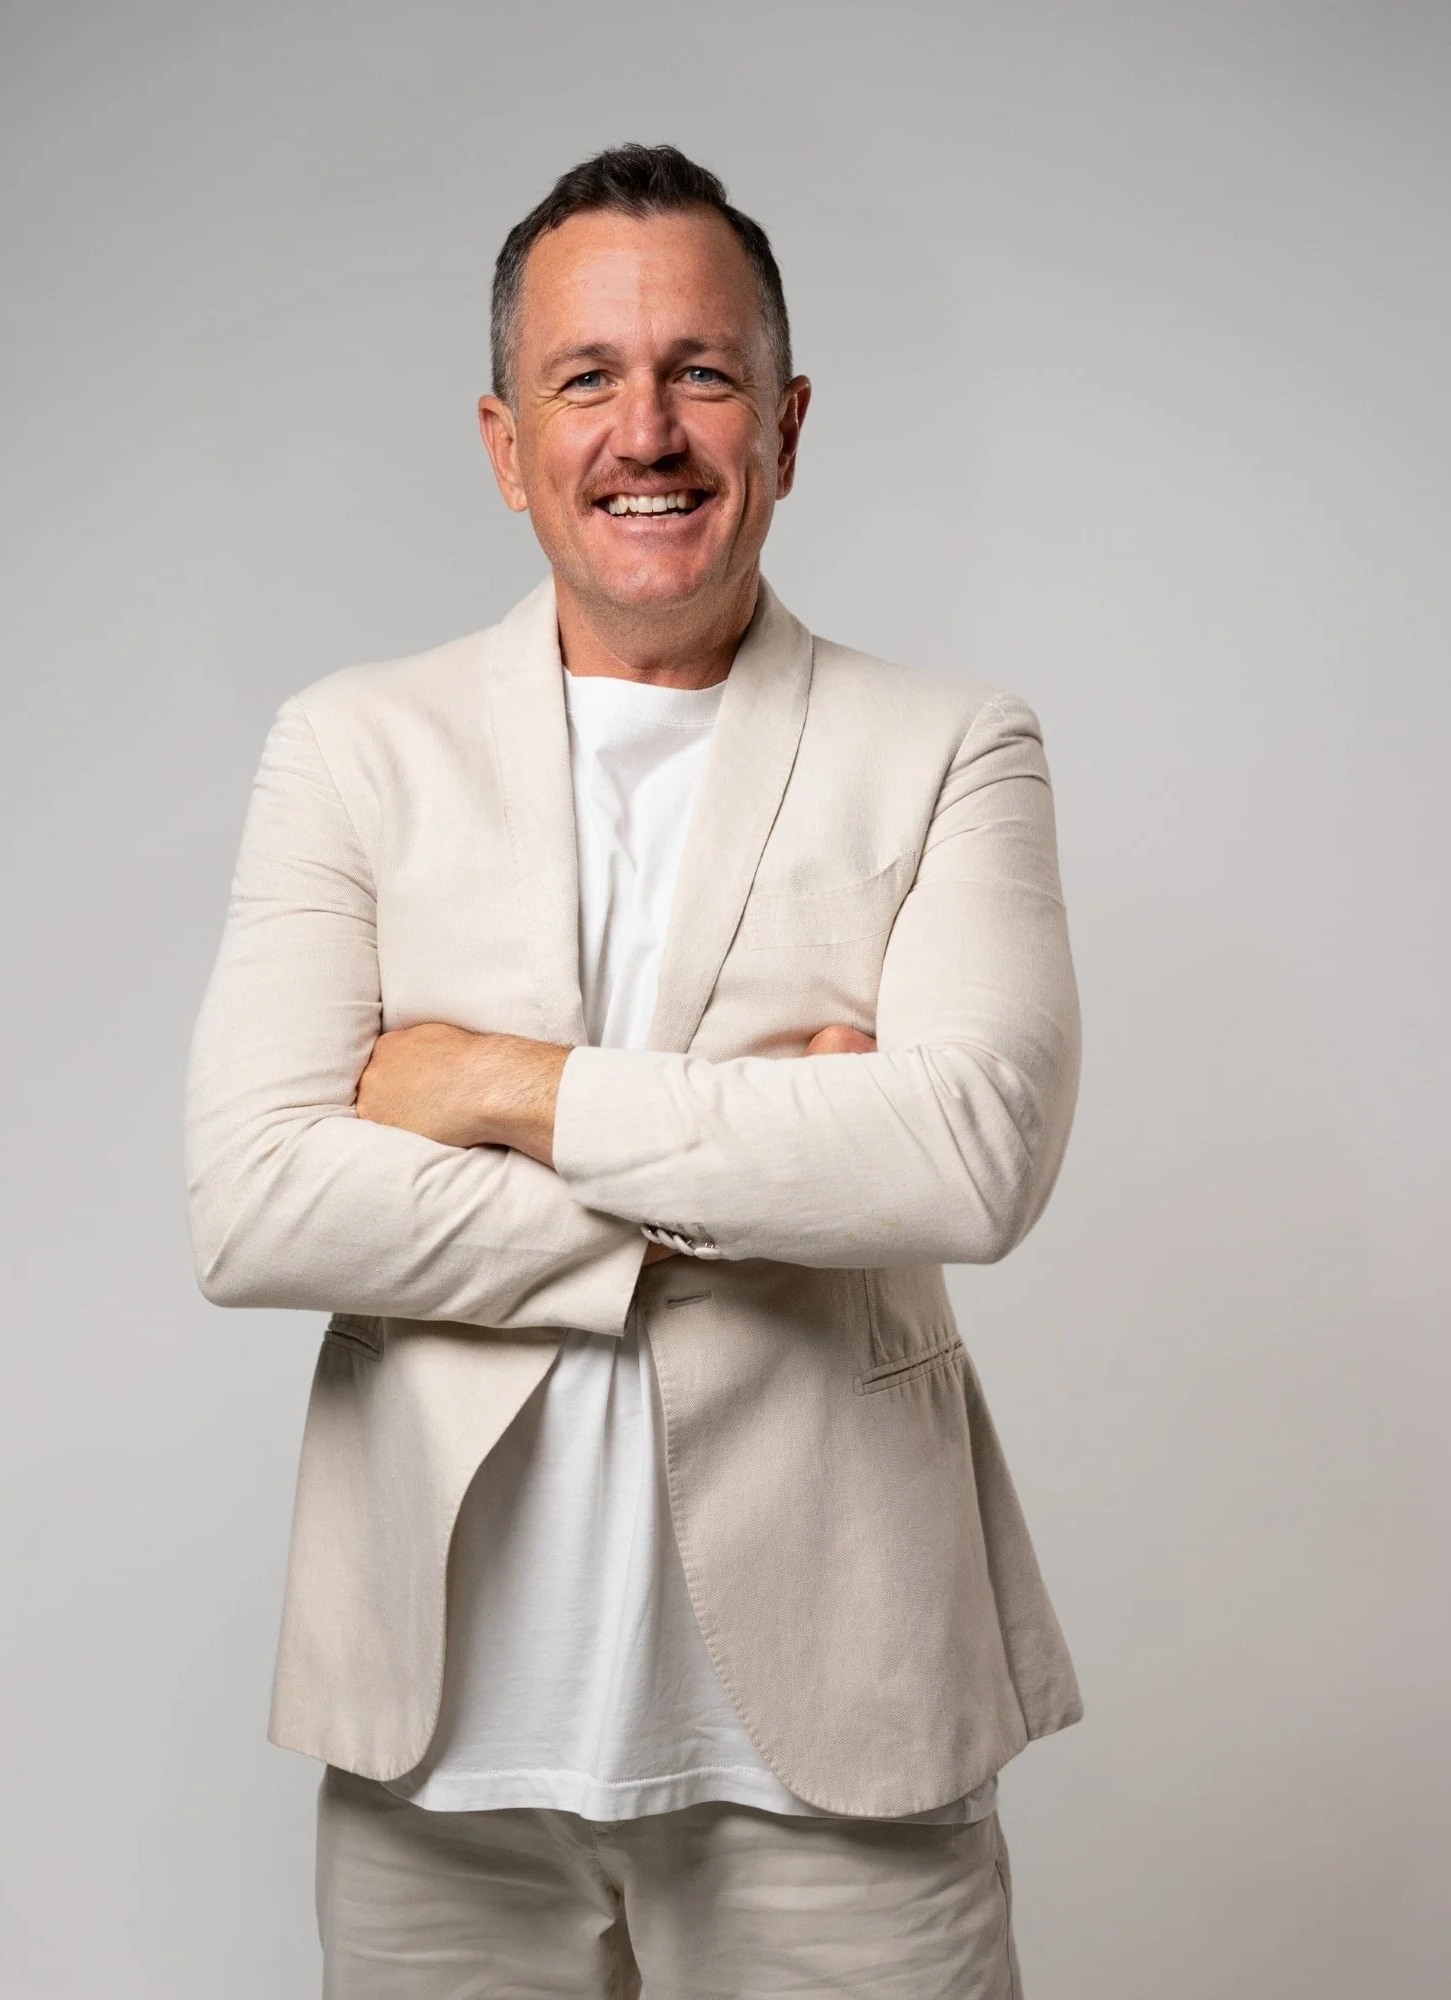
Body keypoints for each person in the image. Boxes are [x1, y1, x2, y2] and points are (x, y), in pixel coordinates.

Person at [186, 142, 1082, 1998]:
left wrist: (498, 1083)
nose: (647, 430)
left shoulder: (950, 748)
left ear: (786, 421)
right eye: (588, 378)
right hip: (446, 1765)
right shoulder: (354, 750)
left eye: (702, 372)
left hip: (842, 1745)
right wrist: (769, 1159)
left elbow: (969, 1158)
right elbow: (256, 1194)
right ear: (509, 442)